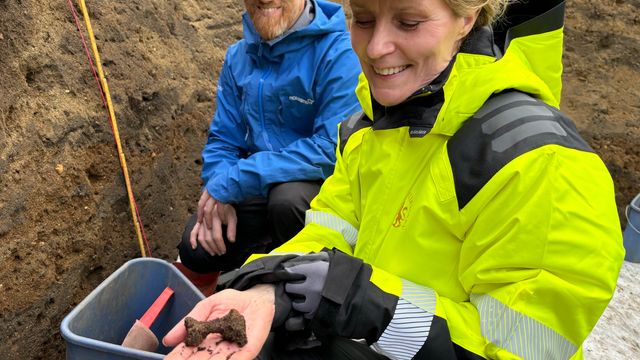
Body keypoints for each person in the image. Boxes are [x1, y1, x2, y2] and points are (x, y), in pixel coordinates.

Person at [164, 0, 625, 359]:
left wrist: (359, 300)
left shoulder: (540, 163)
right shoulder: (372, 127)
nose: (374, 47)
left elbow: (518, 349)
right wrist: (270, 287)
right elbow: (330, 227)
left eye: (408, 22)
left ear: (466, 19)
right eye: (363, 19)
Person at [177, 0, 362, 277]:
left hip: (318, 193)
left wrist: (236, 179)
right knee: (195, 248)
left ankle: (303, 283)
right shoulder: (238, 56)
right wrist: (219, 188)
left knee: (286, 201)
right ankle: (253, 270)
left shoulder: (339, 54)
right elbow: (224, 140)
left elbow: (330, 148)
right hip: (259, 186)